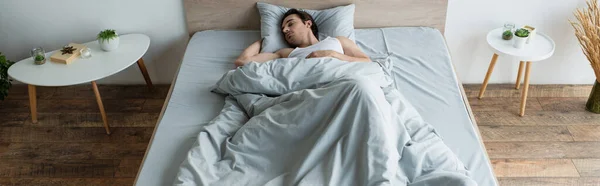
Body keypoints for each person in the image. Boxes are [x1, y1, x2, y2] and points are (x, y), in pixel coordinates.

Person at [235, 9, 371, 67]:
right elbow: (242, 61)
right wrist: (265, 38)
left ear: (308, 23)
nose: (285, 30)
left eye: (290, 24)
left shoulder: (338, 41)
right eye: (282, 30)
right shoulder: (286, 53)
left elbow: (366, 62)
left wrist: (333, 55)